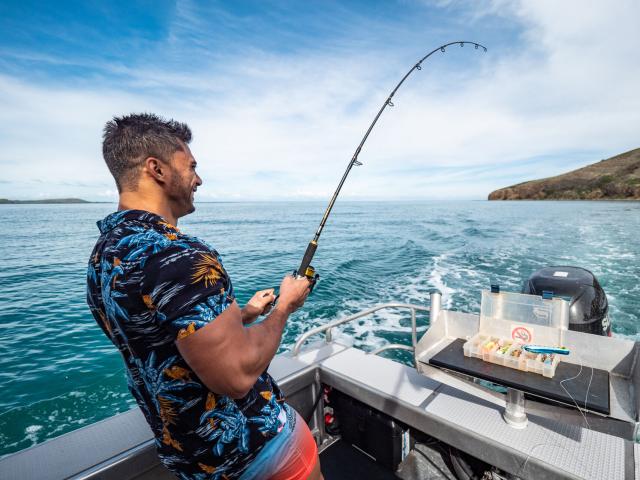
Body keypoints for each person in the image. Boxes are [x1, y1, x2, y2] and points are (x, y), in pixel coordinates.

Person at [86, 113, 323, 480]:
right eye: (191, 166)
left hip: (192, 462)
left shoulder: (104, 257)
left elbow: (161, 339)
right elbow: (237, 375)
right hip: (257, 452)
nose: (199, 179)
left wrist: (243, 315)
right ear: (157, 169)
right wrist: (285, 308)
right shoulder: (179, 255)